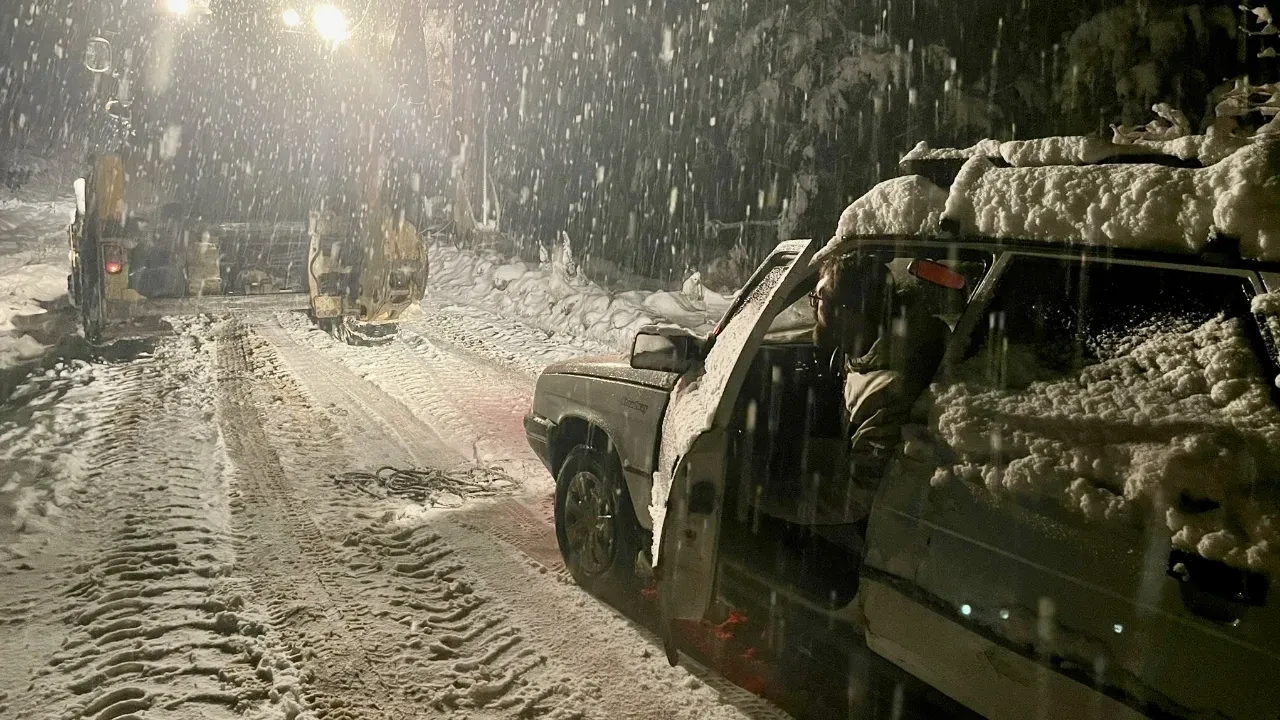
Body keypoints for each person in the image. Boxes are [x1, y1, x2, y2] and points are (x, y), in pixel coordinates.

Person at [805, 253, 951, 548]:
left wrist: (754, 491)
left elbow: (860, 498)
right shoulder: (869, 345)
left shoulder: (889, 386)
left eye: (820, 299)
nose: (815, 306)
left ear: (847, 313)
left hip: (878, 535)